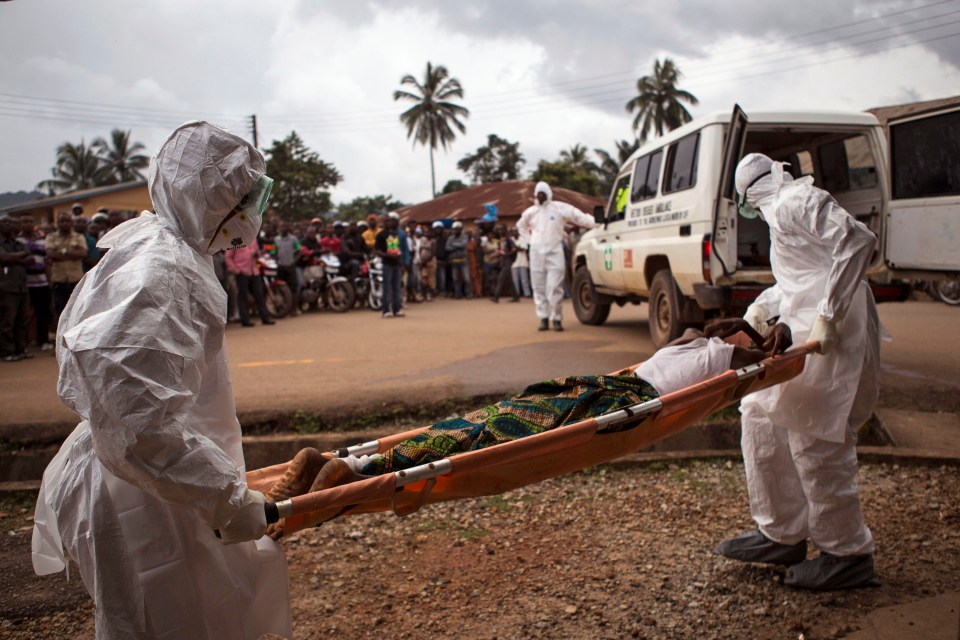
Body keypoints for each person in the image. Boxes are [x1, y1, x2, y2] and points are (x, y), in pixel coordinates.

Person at [31, 122, 292, 639]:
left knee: (205, 615)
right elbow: (135, 421)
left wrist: (217, 489)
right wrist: (224, 496)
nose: (249, 216)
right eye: (240, 199)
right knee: (163, 621)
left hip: (163, 480)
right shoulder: (159, 272)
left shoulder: (171, 251)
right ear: (207, 199)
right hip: (138, 492)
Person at [261, 319, 773, 539]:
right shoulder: (724, 355)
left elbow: (740, 345)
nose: (739, 335)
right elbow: (766, 354)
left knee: (482, 424)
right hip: (616, 400)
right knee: (493, 439)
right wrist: (770, 339)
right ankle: (354, 472)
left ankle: (348, 465)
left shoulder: (688, 343)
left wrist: (747, 336)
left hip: (591, 388)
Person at [713, 153, 881, 591]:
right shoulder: (781, 214)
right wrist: (759, 310)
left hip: (831, 333)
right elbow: (801, 278)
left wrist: (829, 314)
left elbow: (859, 241)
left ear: (749, 194)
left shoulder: (794, 201)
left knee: (815, 436)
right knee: (759, 413)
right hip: (810, 325)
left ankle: (847, 553)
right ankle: (781, 531)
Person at [517, 181, 596, 331]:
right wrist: (528, 242)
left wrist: (597, 222)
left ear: (548, 194)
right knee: (538, 287)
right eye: (538, 194)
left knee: (554, 287)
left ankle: (557, 318)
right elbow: (520, 226)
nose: (540, 197)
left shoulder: (559, 208)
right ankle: (543, 318)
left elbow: (579, 217)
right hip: (536, 253)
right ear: (535, 195)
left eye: (543, 194)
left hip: (554, 252)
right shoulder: (531, 212)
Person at [43, 212, 88, 321]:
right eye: (61, 221)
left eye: (67, 221)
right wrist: (72, 253)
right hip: (59, 280)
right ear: (57, 223)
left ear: (71, 222)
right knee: (60, 310)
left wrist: (61, 252)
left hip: (76, 280)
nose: (64, 223)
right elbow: (50, 254)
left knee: (77, 311)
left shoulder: (78, 237)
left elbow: (83, 254)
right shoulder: (51, 237)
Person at [0, 216, 34, 362]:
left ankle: (21, 349)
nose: (9, 225)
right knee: (7, 321)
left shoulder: (18, 243)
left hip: (21, 287)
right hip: (6, 287)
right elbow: (3, 258)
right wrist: (20, 257)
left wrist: (13, 258)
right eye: (5, 222)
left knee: (22, 320)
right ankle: (7, 351)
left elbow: (31, 259)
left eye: (11, 222)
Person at [16, 215, 52, 352]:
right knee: (24, 315)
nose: (28, 224)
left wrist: (49, 280)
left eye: (30, 221)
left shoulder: (42, 240)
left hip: (41, 282)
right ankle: (24, 342)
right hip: (24, 284)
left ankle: (42, 340)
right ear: (20, 224)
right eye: (24, 222)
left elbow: (47, 261)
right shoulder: (17, 241)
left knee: (42, 313)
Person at [225, 241, 276, 327]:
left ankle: (265, 318)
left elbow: (258, 251)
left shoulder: (253, 238)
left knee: (259, 294)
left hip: (254, 271)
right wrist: (236, 270)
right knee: (243, 296)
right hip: (242, 272)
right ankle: (245, 320)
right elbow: (228, 257)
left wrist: (257, 254)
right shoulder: (234, 240)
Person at [375, 211, 407, 318]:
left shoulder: (394, 234)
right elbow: (377, 251)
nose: (390, 223)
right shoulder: (380, 235)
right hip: (387, 263)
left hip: (396, 263)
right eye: (387, 221)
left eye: (391, 221)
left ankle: (396, 309)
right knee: (387, 287)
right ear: (383, 223)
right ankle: (386, 310)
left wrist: (399, 258)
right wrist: (388, 256)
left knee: (396, 287)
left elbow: (394, 248)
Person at [274, 221, 301, 317]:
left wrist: (293, 263)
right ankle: (283, 310)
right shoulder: (276, 239)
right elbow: (274, 252)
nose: (284, 228)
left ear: (288, 228)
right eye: (282, 226)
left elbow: (299, 252)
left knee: (293, 288)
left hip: (291, 266)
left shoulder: (294, 239)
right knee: (280, 289)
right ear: (279, 228)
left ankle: (294, 309)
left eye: (286, 226)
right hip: (280, 267)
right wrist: (277, 263)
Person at [492, 224, 520, 303]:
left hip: (507, 262)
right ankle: (515, 296)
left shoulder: (508, 240)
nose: (500, 231)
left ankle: (496, 297)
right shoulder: (501, 240)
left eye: (501, 230)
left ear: (505, 230)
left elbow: (514, 249)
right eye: (499, 230)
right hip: (503, 262)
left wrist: (506, 253)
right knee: (509, 280)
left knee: (501, 279)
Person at [445, 221, 470, 299]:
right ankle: (458, 294)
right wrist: (457, 246)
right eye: (454, 229)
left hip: (463, 260)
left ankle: (468, 293)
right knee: (455, 279)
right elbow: (447, 248)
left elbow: (463, 245)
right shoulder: (450, 238)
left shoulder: (464, 237)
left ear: (461, 229)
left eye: (457, 229)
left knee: (466, 278)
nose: (455, 231)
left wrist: (453, 245)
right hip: (454, 261)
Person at [510, 226, 532, 298]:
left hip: (523, 261)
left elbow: (523, 249)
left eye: (516, 231)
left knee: (524, 279)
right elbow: (510, 250)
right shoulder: (510, 240)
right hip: (513, 262)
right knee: (515, 279)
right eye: (513, 231)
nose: (515, 232)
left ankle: (527, 293)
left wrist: (515, 248)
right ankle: (517, 294)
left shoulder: (523, 239)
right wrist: (517, 248)